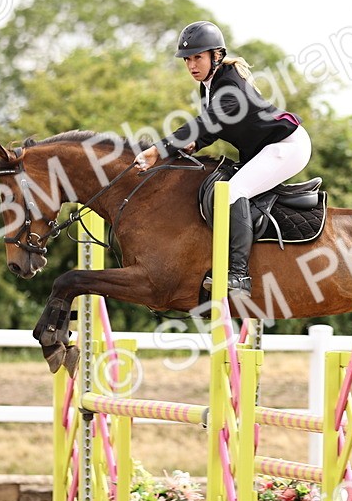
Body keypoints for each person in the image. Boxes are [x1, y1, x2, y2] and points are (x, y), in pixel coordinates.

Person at [134, 20, 312, 296]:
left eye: (198, 57)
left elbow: (207, 121)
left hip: (287, 146)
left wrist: (160, 149)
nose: (192, 65)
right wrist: (196, 143)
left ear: (215, 55)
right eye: (187, 59)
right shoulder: (209, 85)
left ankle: (239, 276)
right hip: (270, 147)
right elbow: (213, 128)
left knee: (232, 192)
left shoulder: (229, 85)